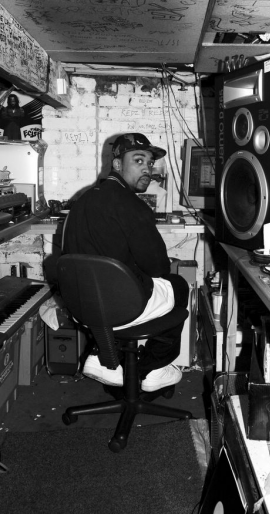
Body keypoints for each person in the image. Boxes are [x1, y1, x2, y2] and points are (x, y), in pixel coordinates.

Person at [62, 133, 189, 391]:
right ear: (118, 164)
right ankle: (154, 368)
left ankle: (104, 355)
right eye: (138, 160)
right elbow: (158, 268)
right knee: (177, 284)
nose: (147, 169)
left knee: (120, 284)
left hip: (82, 307)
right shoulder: (133, 206)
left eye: (150, 163)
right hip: (121, 309)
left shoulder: (82, 200)